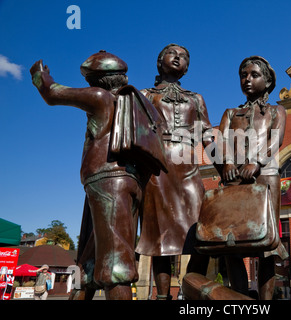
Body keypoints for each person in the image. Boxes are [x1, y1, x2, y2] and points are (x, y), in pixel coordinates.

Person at [30, 51, 161, 299]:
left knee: (116, 264)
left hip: (107, 181)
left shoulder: (100, 97)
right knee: (89, 261)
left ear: (97, 80)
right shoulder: (131, 102)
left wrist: (39, 74)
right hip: (127, 181)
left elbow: (52, 93)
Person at [135, 44, 213, 300]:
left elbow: (208, 134)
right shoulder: (143, 94)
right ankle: (163, 296)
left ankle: (190, 290)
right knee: (161, 239)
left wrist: (225, 166)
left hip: (189, 166)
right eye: (173, 54)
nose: (178, 58)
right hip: (158, 166)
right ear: (160, 62)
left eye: (184, 57)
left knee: (201, 233)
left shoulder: (195, 98)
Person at [218, 56, 288, 300]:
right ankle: (240, 298)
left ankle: (266, 300)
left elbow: (275, 140)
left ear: (267, 81)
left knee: (267, 244)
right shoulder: (230, 113)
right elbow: (221, 141)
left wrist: (257, 162)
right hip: (234, 180)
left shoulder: (276, 111)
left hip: (265, 177)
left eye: (254, 75)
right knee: (232, 243)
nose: (247, 79)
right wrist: (227, 162)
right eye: (243, 75)